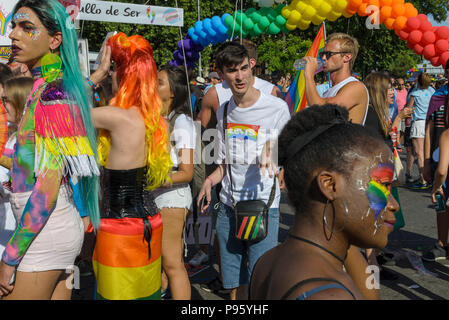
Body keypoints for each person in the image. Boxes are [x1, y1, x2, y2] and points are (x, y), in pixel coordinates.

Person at [0, 0, 100, 300]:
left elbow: (46, 189)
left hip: (44, 231)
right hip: (49, 228)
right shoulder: (43, 86)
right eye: (14, 25)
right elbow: (36, 169)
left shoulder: (54, 92)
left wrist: (9, 259)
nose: (13, 34)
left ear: (55, 40)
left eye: (27, 28)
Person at [249, 104, 399, 300]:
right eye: (382, 185)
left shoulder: (267, 262)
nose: (393, 204)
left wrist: (342, 229)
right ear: (329, 185)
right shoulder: (329, 295)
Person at [197, 42, 290, 300]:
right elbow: (224, 165)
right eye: (231, 71)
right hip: (229, 206)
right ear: (222, 76)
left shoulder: (276, 107)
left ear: (251, 67)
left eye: (242, 68)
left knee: (261, 277)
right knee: (234, 281)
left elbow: (289, 146)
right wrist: (210, 180)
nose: (239, 76)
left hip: (262, 205)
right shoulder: (225, 110)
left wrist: (272, 149)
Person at [89, 33, 172, 300]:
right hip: (150, 223)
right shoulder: (156, 120)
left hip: (120, 229)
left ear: (123, 75)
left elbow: (59, 111)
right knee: (144, 295)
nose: (110, 73)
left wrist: (97, 74)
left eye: (114, 68)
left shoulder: (118, 118)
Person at [151, 65, 196, 300]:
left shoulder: (182, 122)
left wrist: (150, 180)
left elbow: (187, 171)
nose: (152, 84)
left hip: (172, 198)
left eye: (159, 82)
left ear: (173, 92)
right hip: (160, 196)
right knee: (161, 262)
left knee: (172, 263)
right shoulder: (160, 118)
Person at [363, 72, 413, 279]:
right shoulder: (370, 114)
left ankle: (377, 256)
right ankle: (372, 265)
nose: (393, 91)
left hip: (383, 173)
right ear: (378, 91)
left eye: (393, 87)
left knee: (381, 218)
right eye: (389, 88)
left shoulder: (379, 112)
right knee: (374, 217)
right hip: (375, 175)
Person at [0, 77, 34, 259]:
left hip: (18, 225)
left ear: (21, 102)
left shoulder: (31, 141)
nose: (2, 105)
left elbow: (27, 180)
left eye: (6, 100)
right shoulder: (13, 136)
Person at [303, 33, 369, 125]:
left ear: (347, 57)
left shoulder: (356, 87)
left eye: (329, 54)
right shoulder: (328, 91)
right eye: (322, 54)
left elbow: (322, 111)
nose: (323, 58)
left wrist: (309, 76)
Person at [423, 61, 449, 261]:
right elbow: (429, 130)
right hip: (440, 157)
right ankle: (441, 243)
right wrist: (424, 160)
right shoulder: (438, 96)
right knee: (441, 201)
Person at [406, 73, 435, 189]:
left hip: (418, 123)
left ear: (418, 81)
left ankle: (423, 180)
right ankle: (428, 177)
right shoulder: (433, 91)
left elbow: (408, 109)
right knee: (428, 151)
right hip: (430, 123)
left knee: (420, 152)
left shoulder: (415, 94)